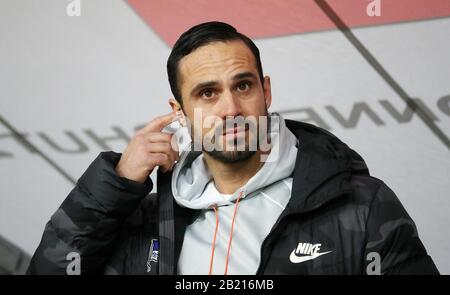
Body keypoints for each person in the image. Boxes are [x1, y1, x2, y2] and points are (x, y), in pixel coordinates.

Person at [27, 21, 439, 275]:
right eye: (207, 93)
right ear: (179, 111)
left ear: (266, 91)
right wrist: (114, 185)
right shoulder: (144, 225)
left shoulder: (362, 205)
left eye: (243, 85)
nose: (230, 109)